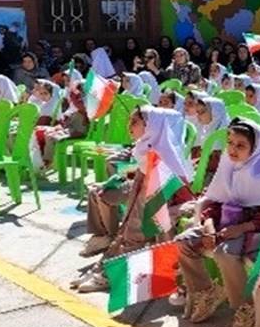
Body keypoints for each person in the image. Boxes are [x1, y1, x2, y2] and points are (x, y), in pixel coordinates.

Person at [175, 119, 260, 327]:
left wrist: (239, 228)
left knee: (224, 253)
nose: (232, 149)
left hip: (256, 231)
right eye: (230, 143)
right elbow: (214, 201)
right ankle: (206, 290)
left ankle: (247, 307)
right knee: (184, 242)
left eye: (240, 145)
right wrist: (208, 225)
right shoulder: (228, 167)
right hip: (223, 226)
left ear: (255, 149)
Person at [74, 108, 195, 285]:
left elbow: (166, 191)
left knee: (134, 229)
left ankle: (113, 275)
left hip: (164, 203)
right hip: (147, 197)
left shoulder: (160, 153)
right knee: (125, 223)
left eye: (134, 122)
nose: (129, 126)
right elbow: (139, 180)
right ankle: (106, 264)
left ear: (150, 126)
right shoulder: (145, 147)